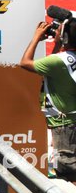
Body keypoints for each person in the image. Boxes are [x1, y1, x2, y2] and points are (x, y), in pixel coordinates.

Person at [20, 20, 76, 180]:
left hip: (64, 124)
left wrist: (36, 38)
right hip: (70, 120)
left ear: (65, 38)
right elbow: (52, 64)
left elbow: (25, 63)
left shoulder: (58, 62)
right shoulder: (62, 61)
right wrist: (59, 43)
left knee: (69, 172)